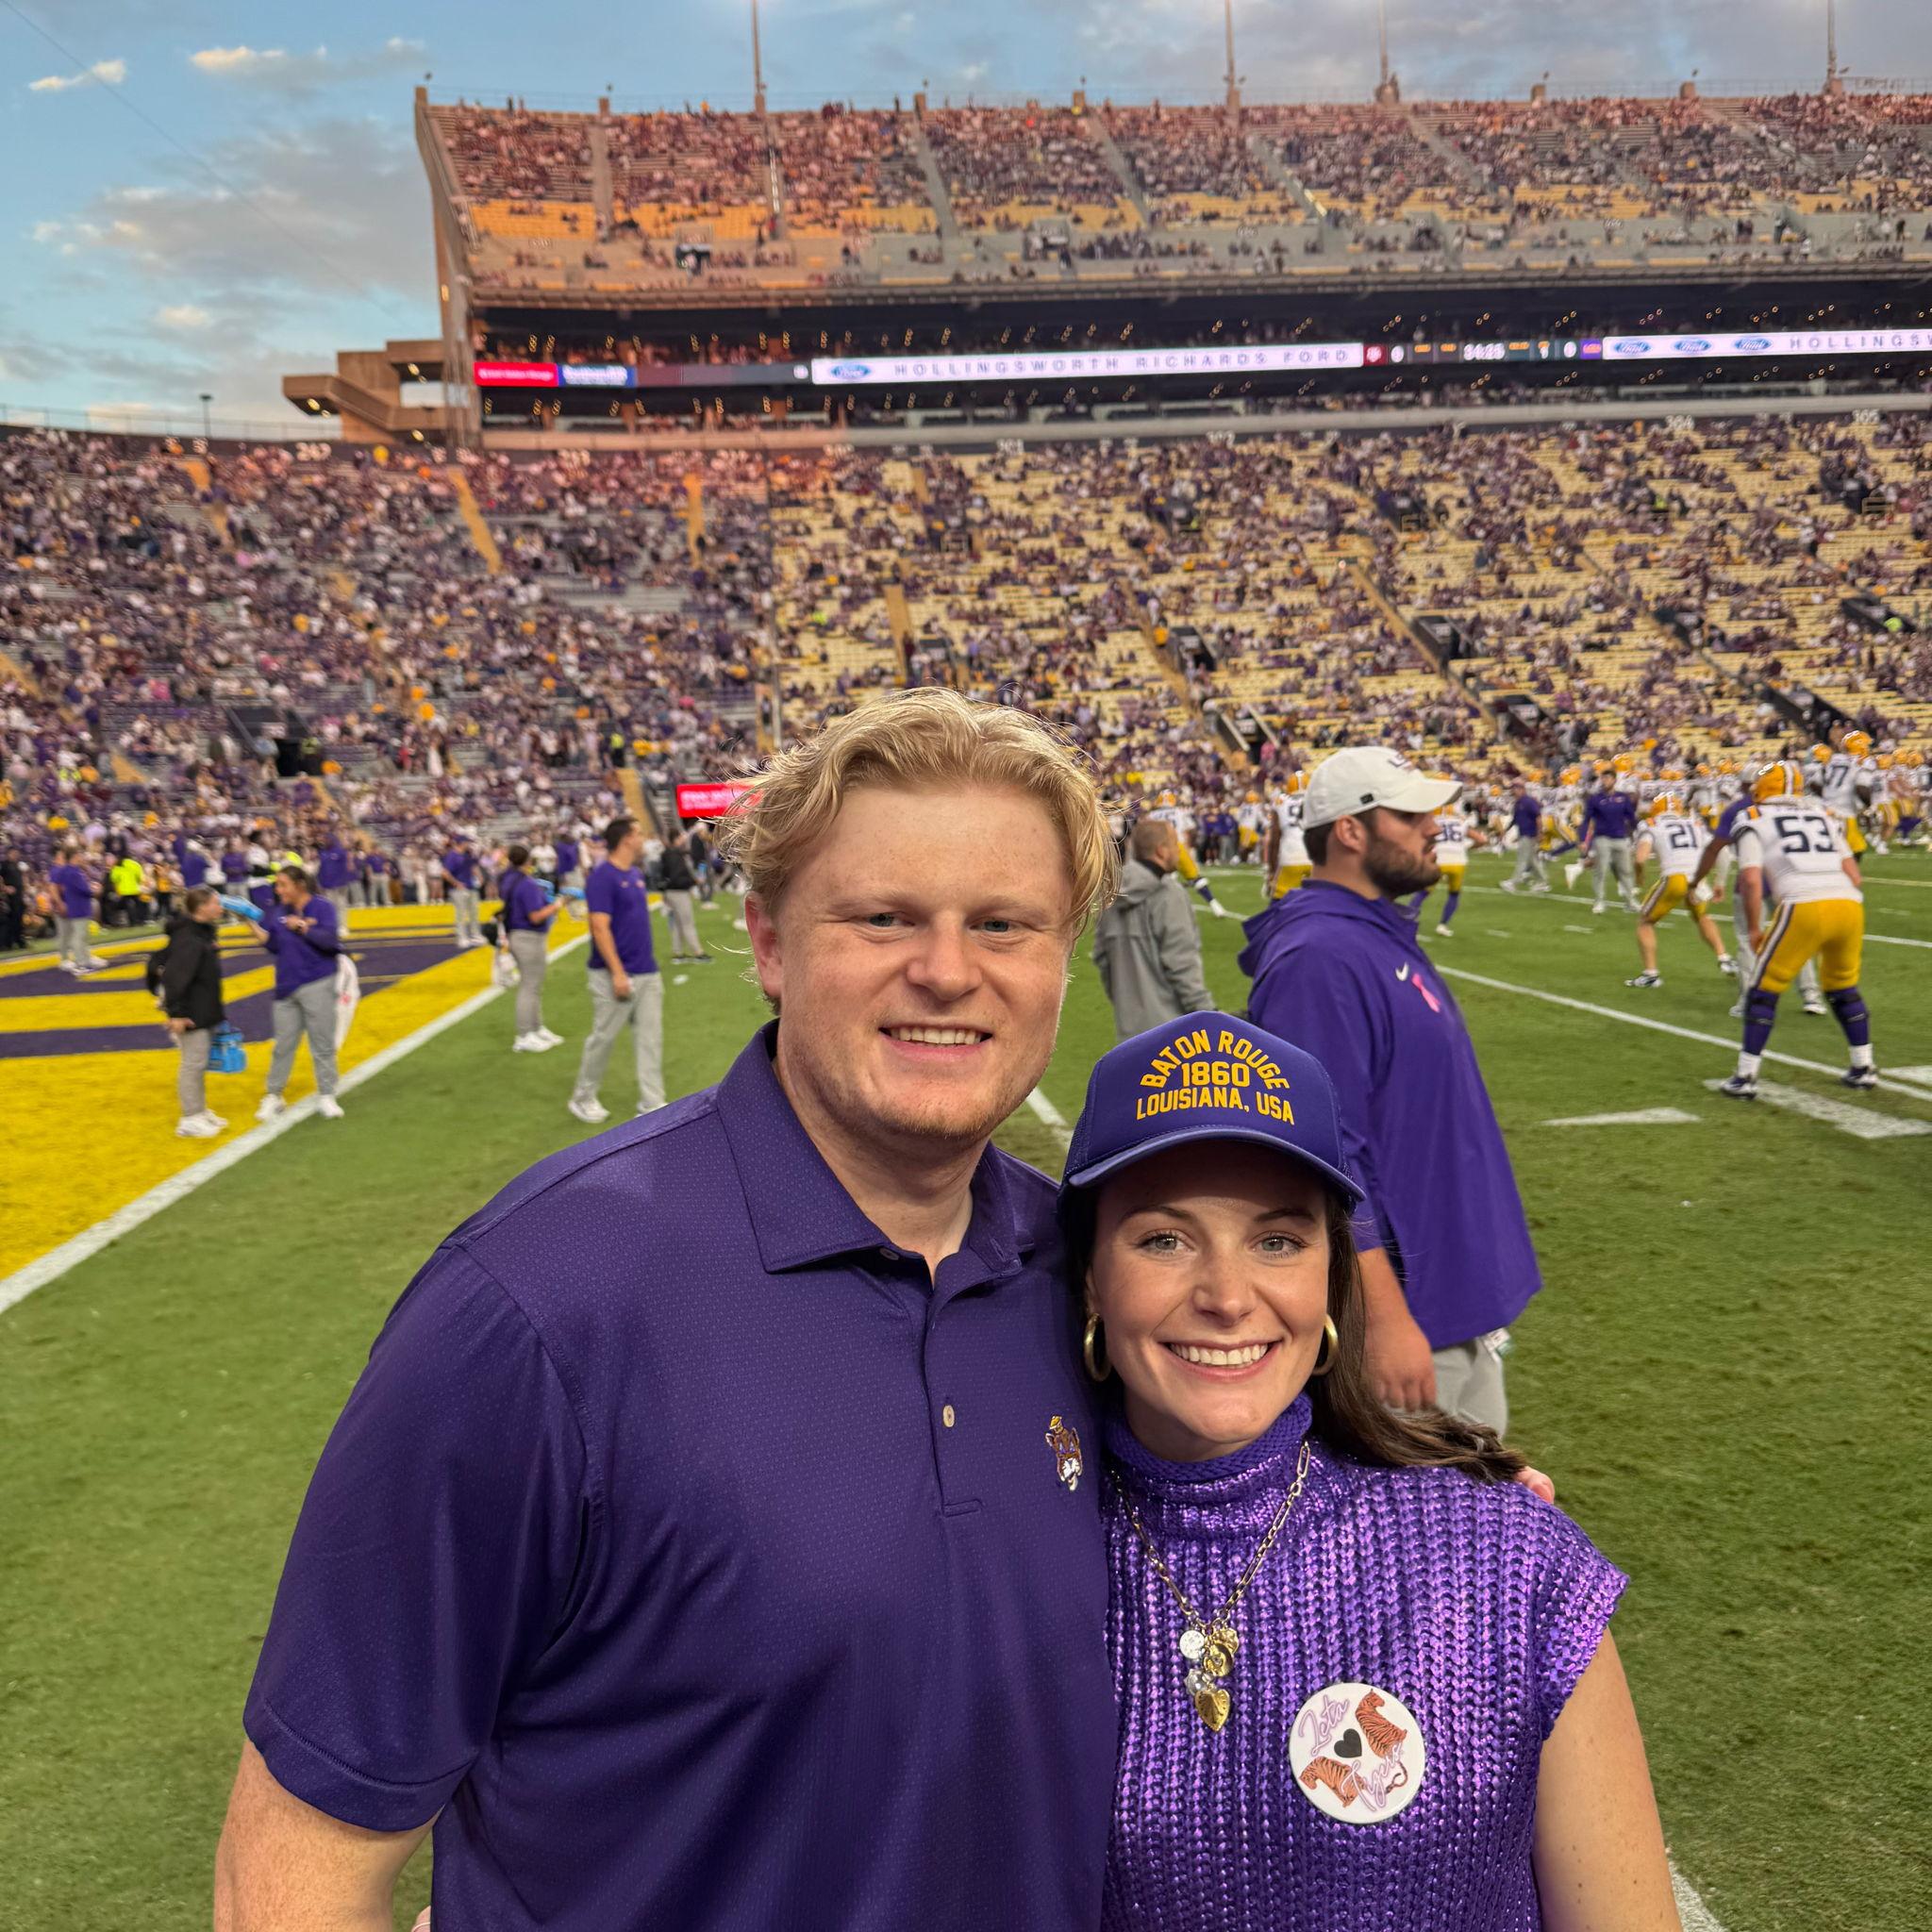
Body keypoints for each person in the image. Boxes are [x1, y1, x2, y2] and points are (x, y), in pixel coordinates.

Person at [214, 691, 1124, 1932]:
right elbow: (306, 1852)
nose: (949, 970)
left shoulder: (1091, 1274)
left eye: (1004, 924)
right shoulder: (534, 1304)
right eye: (883, 918)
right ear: (767, 942)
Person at [1065, 1011, 1676, 1931]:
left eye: (1277, 1239)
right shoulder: (1006, 1566)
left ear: (1328, 1277)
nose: (1228, 1297)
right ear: (1088, 1278)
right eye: (1163, 1238)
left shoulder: (1503, 1558)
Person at [1237, 747, 1541, 1432]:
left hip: (1442, 1293)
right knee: (1442, 1530)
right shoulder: (1321, 956)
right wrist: (1383, 1317)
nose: (1434, 826)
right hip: (1413, 1312)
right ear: (1350, 830)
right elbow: (1323, 1151)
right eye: (1409, 814)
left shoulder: (1367, 935)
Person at [1720, 759, 1877, 1100]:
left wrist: (1753, 929)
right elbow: (1854, 872)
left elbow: (1749, 878)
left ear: (1761, 788)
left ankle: (1746, 1075)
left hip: (1802, 903)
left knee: (1764, 990)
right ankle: (1863, 1066)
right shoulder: (1822, 814)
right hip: (1849, 903)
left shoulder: (1752, 817)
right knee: (1843, 987)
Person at [566, 816, 666, 1124]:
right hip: (615, 974)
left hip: (647, 970)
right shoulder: (602, 877)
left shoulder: (635, 874)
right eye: (638, 834)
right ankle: (582, 1098)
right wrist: (618, 972)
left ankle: (653, 1102)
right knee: (604, 1037)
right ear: (625, 839)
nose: (642, 839)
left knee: (650, 1039)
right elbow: (599, 926)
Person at [1091, 817, 1213, 1041]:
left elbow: (1102, 957)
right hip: (1176, 1033)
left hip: (1130, 1030)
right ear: (1161, 851)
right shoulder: (1170, 895)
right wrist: (1208, 1014)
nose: (1179, 851)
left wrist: (1127, 1004)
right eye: (1175, 844)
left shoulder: (1111, 895)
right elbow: (1181, 965)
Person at [242, 865, 345, 1123]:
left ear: (299, 885)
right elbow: (273, 945)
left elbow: (330, 942)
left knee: (321, 1042)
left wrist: (301, 926)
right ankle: (274, 1095)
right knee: (283, 1044)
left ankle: (327, 1093)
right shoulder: (278, 912)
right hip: (286, 986)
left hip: (317, 981)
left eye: (283, 884)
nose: (278, 890)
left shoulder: (322, 907)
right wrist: (249, 923)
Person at [1624, 793, 1734, 991]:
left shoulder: (1650, 823)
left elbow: (1640, 858)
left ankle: (1651, 974)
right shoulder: (1694, 823)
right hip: (1697, 878)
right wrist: (1720, 882)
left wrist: (1639, 876)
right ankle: (1724, 957)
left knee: (1645, 921)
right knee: (1701, 916)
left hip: (1675, 877)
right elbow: (1723, 852)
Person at [157, 884, 229, 1139]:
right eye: (215, 903)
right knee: (192, 1063)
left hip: (203, 1006)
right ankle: (189, 1118)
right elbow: (175, 978)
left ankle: (199, 1110)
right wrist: (175, 1012)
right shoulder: (189, 938)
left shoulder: (201, 934)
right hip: (191, 1011)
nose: (220, 907)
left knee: (199, 1063)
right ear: (202, 908)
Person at [498, 842, 565, 1054]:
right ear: (528, 861)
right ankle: (525, 1034)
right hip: (527, 936)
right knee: (529, 986)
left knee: (533, 985)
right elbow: (535, 916)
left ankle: (536, 1028)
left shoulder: (508, 878)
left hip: (518, 934)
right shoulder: (525, 883)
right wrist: (556, 906)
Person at [1581, 770, 1641, 914]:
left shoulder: (1623, 797)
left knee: (1626, 871)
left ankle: (1630, 901)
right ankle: (1599, 901)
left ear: (1614, 780)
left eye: (1607, 778)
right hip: (1602, 838)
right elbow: (1586, 820)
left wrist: (1638, 834)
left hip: (1620, 838)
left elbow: (1631, 818)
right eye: (1603, 778)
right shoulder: (1595, 799)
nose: (1604, 781)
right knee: (1600, 871)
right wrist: (1584, 840)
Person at [657, 826, 709, 964]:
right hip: (678, 892)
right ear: (676, 839)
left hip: (670, 892)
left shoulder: (667, 854)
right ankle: (698, 952)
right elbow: (677, 876)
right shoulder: (675, 855)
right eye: (680, 837)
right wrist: (693, 881)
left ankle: (678, 953)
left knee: (677, 924)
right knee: (687, 923)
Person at [47, 845, 98, 974]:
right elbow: (83, 889)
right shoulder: (72, 871)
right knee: (76, 936)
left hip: (73, 906)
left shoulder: (65, 870)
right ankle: (80, 963)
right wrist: (94, 891)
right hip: (78, 907)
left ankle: (84, 960)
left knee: (78, 935)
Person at [1500, 783, 1547, 892]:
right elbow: (1515, 820)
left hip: (1530, 834)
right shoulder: (1518, 803)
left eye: (1515, 789)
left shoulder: (1529, 802)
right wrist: (1505, 831)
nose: (1513, 791)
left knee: (1522, 859)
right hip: (1523, 833)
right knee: (1532, 860)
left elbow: (1538, 817)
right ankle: (1542, 882)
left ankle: (1513, 883)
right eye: (1513, 789)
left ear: (1522, 789)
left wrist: (1540, 833)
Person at [442, 835, 483, 948]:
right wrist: (456, 883)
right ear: (460, 843)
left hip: (471, 886)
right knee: (460, 914)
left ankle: (475, 935)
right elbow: (445, 873)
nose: (468, 844)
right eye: (466, 842)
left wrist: (479, 876)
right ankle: (462, 937)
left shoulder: (467, 854)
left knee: (474, 913)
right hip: (458, 889)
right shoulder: (452, 855)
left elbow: (473, 867)